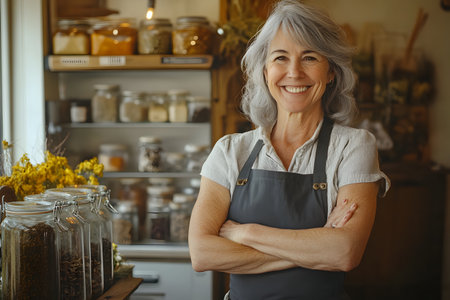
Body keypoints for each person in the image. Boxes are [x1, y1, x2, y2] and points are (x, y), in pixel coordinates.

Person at [188, 0, 390, 299]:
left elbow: (345, 253)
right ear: (265, 71)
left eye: (309, 58)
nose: (294, 72)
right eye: (280, 58)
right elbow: (203, 254)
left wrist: (245, 233)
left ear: (331, 71)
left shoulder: (353, 146)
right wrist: (318, 247)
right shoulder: (231, 151)